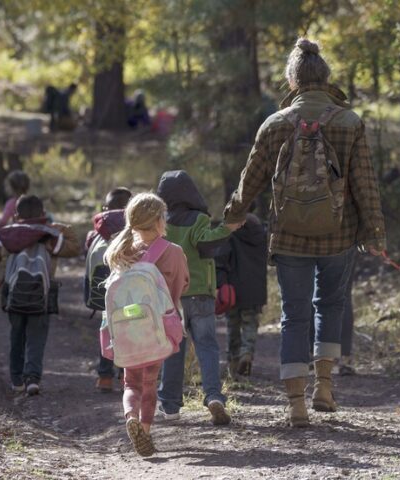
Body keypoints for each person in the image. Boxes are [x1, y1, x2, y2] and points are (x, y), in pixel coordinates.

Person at [223, 38, 386, 427]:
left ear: (292, 80)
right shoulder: (349, 122)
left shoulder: (274, 124)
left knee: (293, 315)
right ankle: (324, 387)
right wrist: (375, 233)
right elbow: (365, 184)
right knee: (329, 306)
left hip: (289, 236)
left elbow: (251, 179)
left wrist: (233, 215)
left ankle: (296, 403)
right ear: (325, 78)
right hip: (339, 236)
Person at [103, 193, 189, 456]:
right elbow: (180, 287)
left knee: (131, 384)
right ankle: (146, 431)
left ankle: (130, 417)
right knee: (150, 383)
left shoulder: (120, 251)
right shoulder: (173, 252)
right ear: (159, 221)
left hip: (127, 328)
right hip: (155, 328)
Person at [155, 170, 242, 425]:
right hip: (201, 295)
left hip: (171, 299)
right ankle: (214, 396)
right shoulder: (199, 219)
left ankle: (170, 406)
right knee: (207, 346)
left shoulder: (161, 224)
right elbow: (206, 242)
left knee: (173, 351)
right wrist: (227, 228)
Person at [0, 195, 80, 395]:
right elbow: (75, 246)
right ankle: (33, 378)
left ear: (16, 215)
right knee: (37, 336)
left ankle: (16, 380)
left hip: (13, 292)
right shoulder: (50, 235)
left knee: (16, 335)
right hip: (42, 295)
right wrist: (57, 225)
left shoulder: (7, 236)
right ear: (43, 214)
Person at [84, 187, 133, 392]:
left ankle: (104, 377)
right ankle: (125, 375)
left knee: (107, 330)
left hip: (105, 295)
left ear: (106, 208)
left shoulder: (97, 231)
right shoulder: (135, 228)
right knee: (130, 330)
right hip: (131, 293)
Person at [215, 213, 268, 377]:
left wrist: (220, 283)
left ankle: (233, 361)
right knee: (250, 323)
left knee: (233, 325)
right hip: (255, 288)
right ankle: (247, 353)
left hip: (233, 288)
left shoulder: (230, 236)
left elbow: (221, 261)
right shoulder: (261, 236)